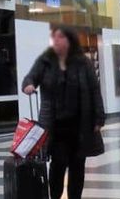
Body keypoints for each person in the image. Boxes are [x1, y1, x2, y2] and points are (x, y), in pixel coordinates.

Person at [22, 27, 106, 199]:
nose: (57, 40)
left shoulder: (83, 62)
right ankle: (55, 196)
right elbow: (30, 77)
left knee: (77, 165)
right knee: (58, 165)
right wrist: (29, 85)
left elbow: (94, 90)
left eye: (61, 37)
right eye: (55, 37)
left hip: (80, 127)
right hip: (55, 127)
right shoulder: (45, 61)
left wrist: (99, 117)